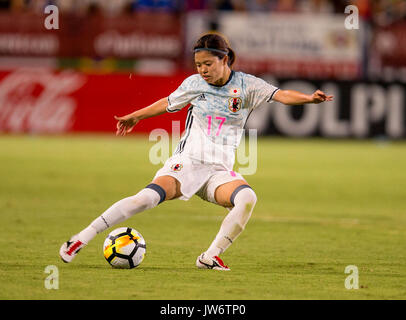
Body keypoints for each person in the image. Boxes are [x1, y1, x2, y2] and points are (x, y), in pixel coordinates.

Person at [59, 33, 333, 271]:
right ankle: (80, 238)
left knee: (247, 198)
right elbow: (166, 103)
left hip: (218, 173)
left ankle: (210, 256)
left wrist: (308, 98)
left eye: (208, 64)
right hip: (188, 163)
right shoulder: (193, 85)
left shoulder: (247, 85)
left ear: (225, 60)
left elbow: (281, 94)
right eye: (198, 64)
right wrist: (135, 116)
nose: (202, 70)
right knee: (145, 199)